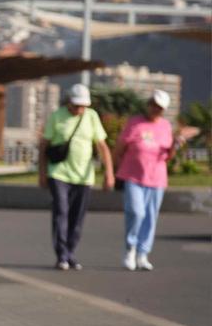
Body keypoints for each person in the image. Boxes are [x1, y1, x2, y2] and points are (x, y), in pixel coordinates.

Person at [38, 83, 114, 271]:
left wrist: (109, 173)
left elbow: (102, 146)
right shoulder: (57, 116)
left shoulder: (92, 117)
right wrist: (42, 173)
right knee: (61, 212)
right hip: (59, 173)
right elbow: (44, 146)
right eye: (77, 105)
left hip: (84, 176)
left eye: (83, 106)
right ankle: (61, 255)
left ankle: (70, 252)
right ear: (69, 102)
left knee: (77, 217)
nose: (80, 109)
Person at [114, 90, 184, 271]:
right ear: (148, 104)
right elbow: (120, 148)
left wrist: (175, 145)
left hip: (157, 178)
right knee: (136, 213)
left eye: (159, 108)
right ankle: (130, 249)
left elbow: (168, 155)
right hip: (133, 176)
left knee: (150, 217)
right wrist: (116, 169)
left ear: (163, 110)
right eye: (153, 105)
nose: (154, 109)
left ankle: (143, 253)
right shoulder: (134, 122)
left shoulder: (165, 126)